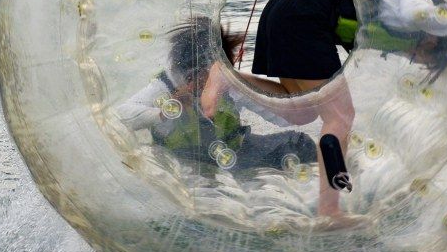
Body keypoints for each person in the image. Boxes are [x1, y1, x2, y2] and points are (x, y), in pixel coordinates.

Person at [201, 0, 447, 217]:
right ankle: (330, 212)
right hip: (305, 10)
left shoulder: (394, 16)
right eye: (423, 56)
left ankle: (229, 78)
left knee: (300, 111)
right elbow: (420, 15)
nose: (412, 56)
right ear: (434, 40)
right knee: (341, 116)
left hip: (288, 9)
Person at [117, 17, 316, 172]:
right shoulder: (165, 86)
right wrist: (163, 112)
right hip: (183, 160)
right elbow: (122, 116)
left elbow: (284, 119)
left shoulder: (228, 83)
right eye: (196, 75)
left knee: (299, 143)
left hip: (235, 152)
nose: (204, 81)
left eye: (212, 71)